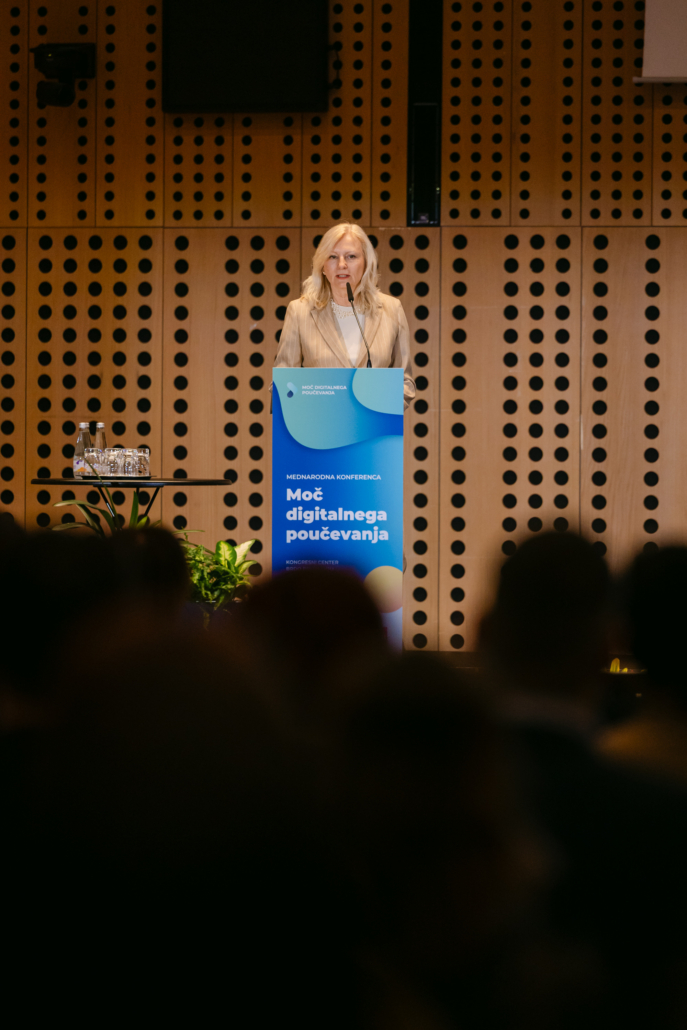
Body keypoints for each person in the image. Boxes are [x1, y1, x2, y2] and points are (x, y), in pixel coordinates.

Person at [274, 222, 416, 408]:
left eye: (351, 256)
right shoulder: (299, 312)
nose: (342, 264)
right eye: (333, 257)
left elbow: (406, 384)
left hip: (374, 423)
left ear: (366, 263)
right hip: (319, 423)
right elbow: (284, 383)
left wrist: (378, 409)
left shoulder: (392, 309)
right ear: (322, 266)